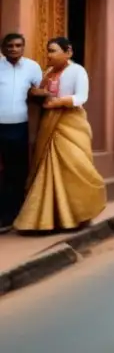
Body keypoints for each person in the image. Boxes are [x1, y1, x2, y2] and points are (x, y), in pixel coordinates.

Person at [15, 37, 106, 232]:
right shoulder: (48, 72)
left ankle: (76, 215)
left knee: (76, 167)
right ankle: (48, 220)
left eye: (54, 51)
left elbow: (82, 96)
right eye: (48, 51)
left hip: (71, 123)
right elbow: (43, 95)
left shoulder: (77, 71)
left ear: (68, 52)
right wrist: (37, 93)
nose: (49, 55)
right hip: (49, 123)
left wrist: (59, 102)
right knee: (47, 169)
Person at [0, 33, 42, 233]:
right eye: (10, 46)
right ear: (3, 48)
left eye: (18, 45)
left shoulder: (33, 68)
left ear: (23, 48)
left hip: (19, 126)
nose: (14, 49)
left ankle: (12, 215)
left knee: (16, 171)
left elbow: (39, 93)